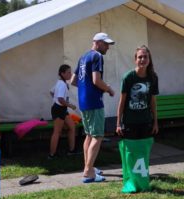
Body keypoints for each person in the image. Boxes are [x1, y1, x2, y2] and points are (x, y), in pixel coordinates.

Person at [71, 32, 115, 183]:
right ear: (97, 42)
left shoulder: (83, 57)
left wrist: (85, 87)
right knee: (98, 136)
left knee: (89, 135)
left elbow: (73, 80)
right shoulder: (97, 56)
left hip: (83, 102)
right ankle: (88, 172)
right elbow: (97, 80)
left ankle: (88, 167)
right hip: (94, 102)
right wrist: (108, 89)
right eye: (106, 44)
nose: (108, 47)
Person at [116, 45, 159, 138]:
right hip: (129, 122)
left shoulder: (153, 78)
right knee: (131, 151)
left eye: (145, 57)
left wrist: (155, 122)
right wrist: (118, 124)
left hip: (146, 122)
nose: (142, 59)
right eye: (140, 57)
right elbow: (122, 102)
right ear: (135, 60)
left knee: (144, 151)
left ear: (149, 59)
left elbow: (153, 102)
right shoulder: (128, 77)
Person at [48, 64, 79, 159]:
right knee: (57, 132)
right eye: (68, 72)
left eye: (71, 72)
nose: (70, 74)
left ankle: (71, 150)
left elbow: (51, 92)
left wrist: (55, 100)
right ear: (62, 73)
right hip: (59, 109)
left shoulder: (61, 82)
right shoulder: (61, 84)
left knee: (72, 127)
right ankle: (52, 155)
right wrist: (71, 105)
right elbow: (61, 99)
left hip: (62, 109)